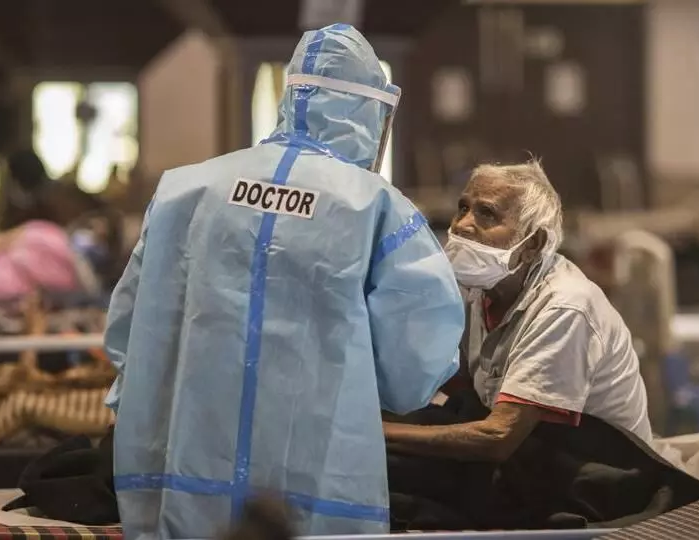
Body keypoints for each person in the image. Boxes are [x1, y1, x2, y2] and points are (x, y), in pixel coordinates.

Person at [104, 24, 464, 539]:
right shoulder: (375, 207)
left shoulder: (186, 189)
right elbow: (415, 360)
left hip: (184, 472)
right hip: (319, 481)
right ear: (369, 110)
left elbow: (129, 328)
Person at [384, 159, 653, 464]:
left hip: (599, 472)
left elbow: (498, 438)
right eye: (463, 208)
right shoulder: (477, 290)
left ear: (533, 244)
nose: (462, 224)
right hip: (536, 456)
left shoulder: (565, 305)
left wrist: (375, 433)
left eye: (486, 213)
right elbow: (444, 379)